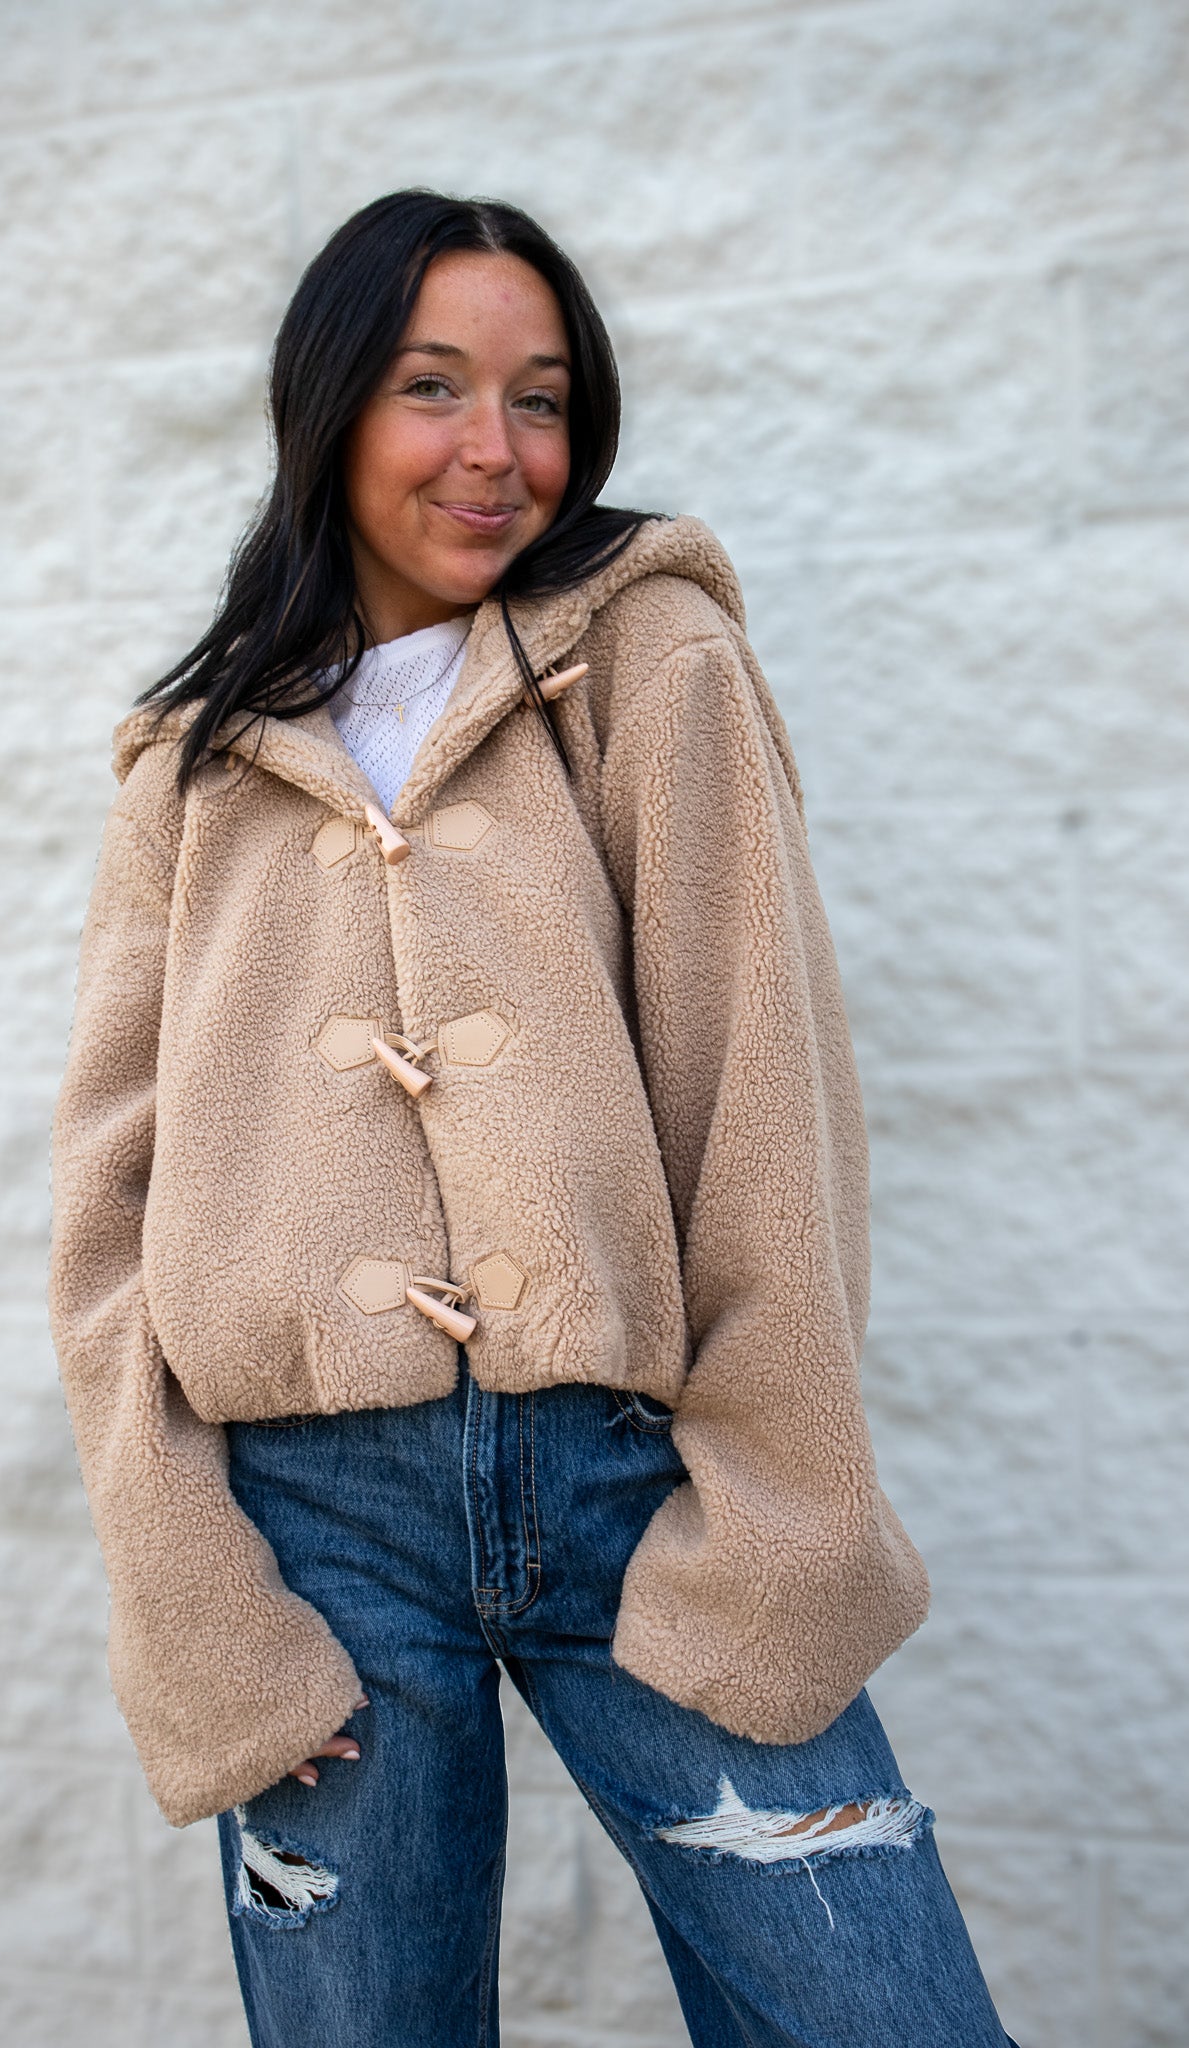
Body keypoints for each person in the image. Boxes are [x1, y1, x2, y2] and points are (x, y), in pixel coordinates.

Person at [49, 189, 1016, 2048]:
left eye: (542, 397)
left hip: (636, 1482)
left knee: (884, 2016)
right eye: (433, 387)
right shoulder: (195, 760)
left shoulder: (651, 661)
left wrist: (778, 1517)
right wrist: (193, 1599)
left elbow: (767, 1106)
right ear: (326, 406)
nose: (496, 452)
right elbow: (109, 1210)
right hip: (310, 1526)